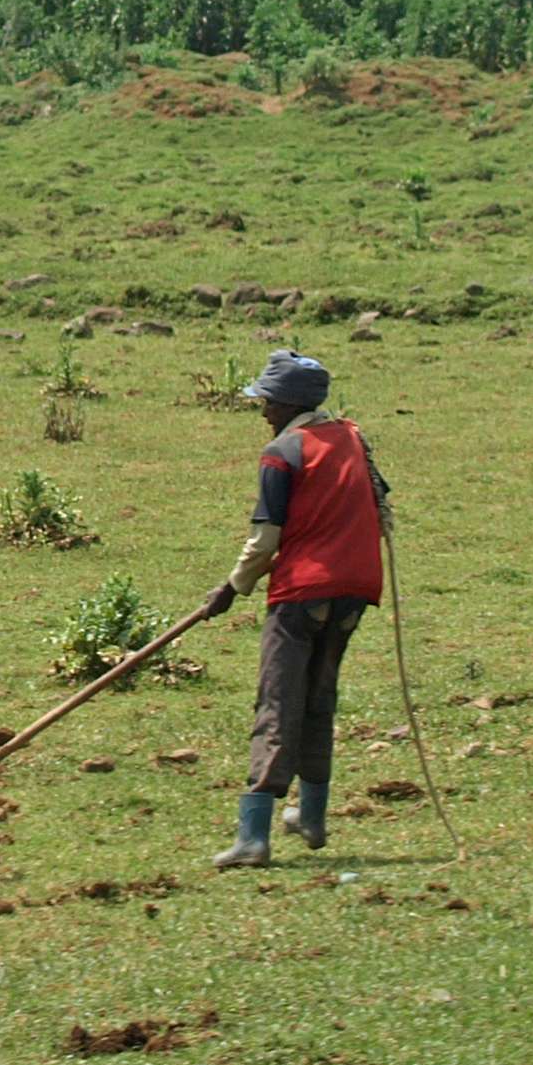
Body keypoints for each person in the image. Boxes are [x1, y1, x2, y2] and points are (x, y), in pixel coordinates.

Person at [196, 354, 391, 868]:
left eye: (268, 401)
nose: (262, 410)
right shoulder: (352, 436)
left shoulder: (282, 452)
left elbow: (265, 540)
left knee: (278, 701)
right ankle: (312, 816)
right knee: (319, 697)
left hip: (302, 591)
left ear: (290, 404)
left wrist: (230, 589)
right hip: (357, 587)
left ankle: (254, 836)